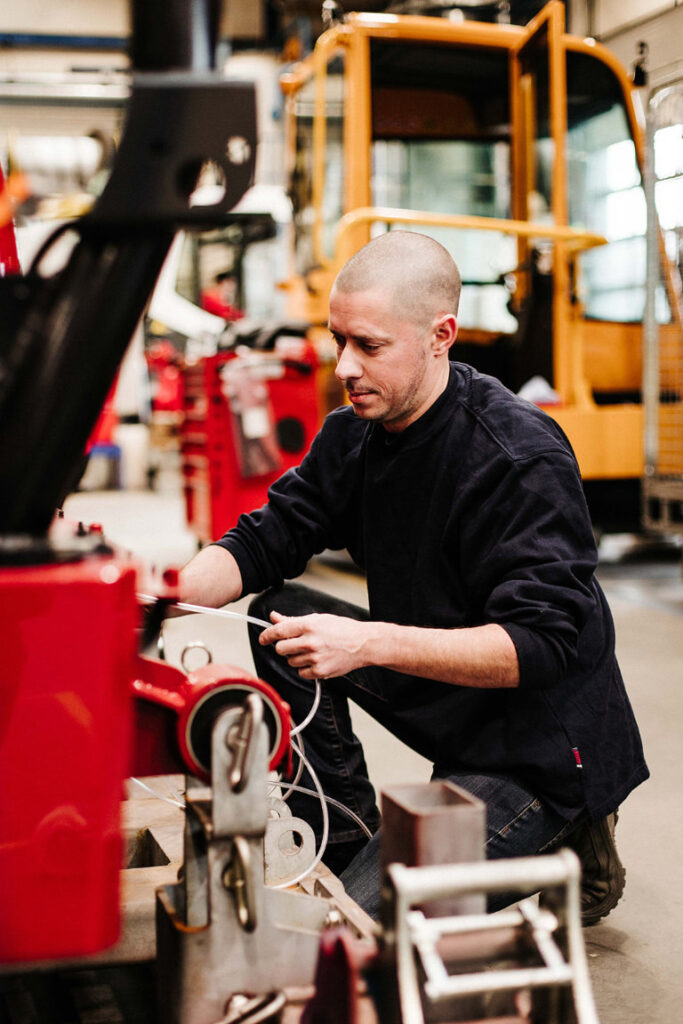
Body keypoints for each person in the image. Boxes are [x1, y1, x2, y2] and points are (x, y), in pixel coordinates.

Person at [179, 231, 648, 925]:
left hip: (538, 752)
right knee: (277, 616)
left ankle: (574, 832)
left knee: (356, 932)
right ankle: (348, 847)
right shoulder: (356, 433)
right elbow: (266, 539)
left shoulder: (517, 457)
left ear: (440, 336)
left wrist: (366, 643)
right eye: (338, 340)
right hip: (452, 702)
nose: (345, 366)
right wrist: (162, 595)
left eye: (369, 346)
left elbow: (540, 646)